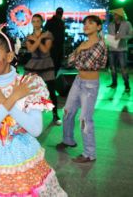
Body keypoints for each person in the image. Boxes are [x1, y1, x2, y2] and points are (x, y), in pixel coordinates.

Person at [0, 24, 67, 196]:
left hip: (22, 154)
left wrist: (3, 101)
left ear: (9, 56)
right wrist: (9, 100)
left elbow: (35, 129)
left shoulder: (30, 83)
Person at [56, 15, 107, 163]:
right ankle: (68, 140)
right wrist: (79, 51)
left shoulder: (100, 44)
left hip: (90, 85)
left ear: (98, 27)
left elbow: (85, 64)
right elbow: (69, 61)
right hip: (78, 81)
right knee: (67, 111)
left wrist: (78, 52)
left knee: (85, 119)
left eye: (91, 23)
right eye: (85, 23)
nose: (86, 25)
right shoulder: (84, 43)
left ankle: (89, 154)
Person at [25, 14, 62, 125]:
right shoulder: (29, 36)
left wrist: (37, 39)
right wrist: (39, 39)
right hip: (34, 63)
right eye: (34, 21)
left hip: (46, 63)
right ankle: (28, 114)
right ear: (31, 23)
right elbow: (31, 49)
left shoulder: (48, 34)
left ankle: (55, 115)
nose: (36, 23)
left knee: (51, 90)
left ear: (41, 22)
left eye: (38, 21)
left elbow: (45, 50)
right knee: (29, 91)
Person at [107, 8, 133, 92]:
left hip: (122, 49)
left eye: (115, 14)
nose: (114, 16)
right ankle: (114, 83)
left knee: (123, 68)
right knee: (112, 67)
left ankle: (127, 85)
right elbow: (110, 36)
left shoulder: (127, 23)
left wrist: (121, 37)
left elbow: (131, 35)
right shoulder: (110, 24)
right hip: (112, 48)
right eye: (113, 14)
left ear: (120, 15)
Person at [44, 7, 65, 75]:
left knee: (55, 64)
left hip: (55, 46)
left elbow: (45, 31)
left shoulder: (54, 21)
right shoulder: (58, 22)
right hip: (53, 46)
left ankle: (51, 79)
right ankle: (51, 79)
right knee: (54, 64)